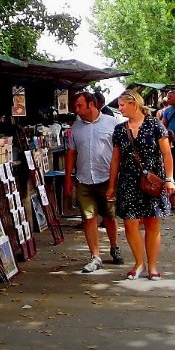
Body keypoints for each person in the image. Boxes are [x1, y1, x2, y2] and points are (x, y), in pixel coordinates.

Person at [106, 90, 175, 281]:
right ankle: (139, 263)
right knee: (129, 222)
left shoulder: (155, 125)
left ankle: (152, 266)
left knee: (152, 221)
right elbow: (115, 160)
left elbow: (166, 154)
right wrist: (112, 185)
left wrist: (169, 179)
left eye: (122, 105)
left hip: (152, 181)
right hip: (128, 181)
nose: (119, 109)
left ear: (133, 104)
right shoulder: (120, 129)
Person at [64, 91, 124, 273]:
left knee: (109, 217)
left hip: (107, 179)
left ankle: (114, 247)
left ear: (91, 104)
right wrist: (68, 177)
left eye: (80, 105)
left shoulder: (112, 123)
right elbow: (71, 152)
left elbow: (119, 152)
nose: (77, 110)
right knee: (88, 218)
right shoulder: (76, 127)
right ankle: (95, 255)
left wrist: (117, 179)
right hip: (84, 179)